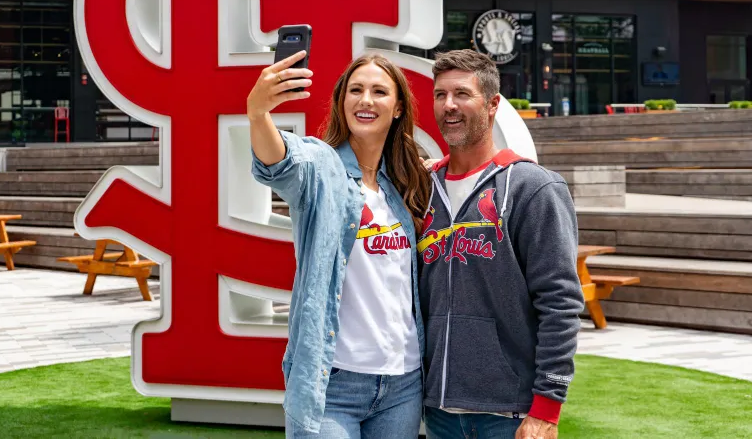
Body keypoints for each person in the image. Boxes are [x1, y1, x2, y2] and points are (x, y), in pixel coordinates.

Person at [249, 50, 431, 439]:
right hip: (332, 385)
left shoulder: (405, 181)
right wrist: (258, 114)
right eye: (356, 90)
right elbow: (278, 161)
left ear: (398, 108)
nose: (366, 100)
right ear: (341, 101)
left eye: (379, 91)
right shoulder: (321, 165)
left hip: (402, 383)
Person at [417, 49, 584, 439]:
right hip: (436, 410)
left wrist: (548, 406)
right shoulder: (422, 188)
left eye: (462, 94)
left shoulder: (534, 187)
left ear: (492, 105)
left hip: (507, 413)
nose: (449, 105)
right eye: (440, 95)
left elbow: (560, 302)